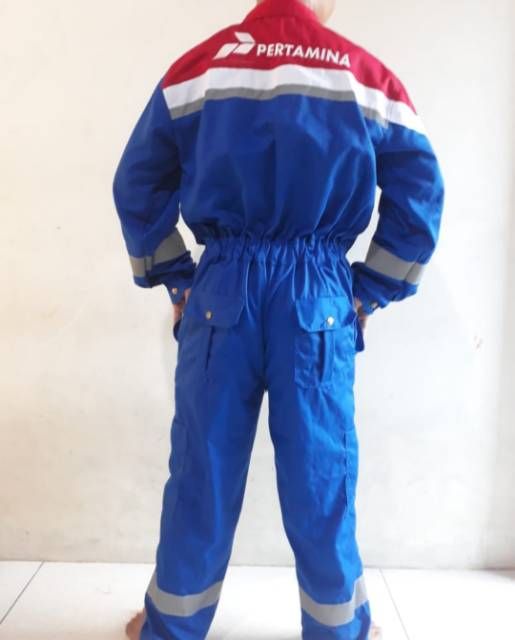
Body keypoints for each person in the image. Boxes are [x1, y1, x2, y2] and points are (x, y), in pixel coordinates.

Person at [112, 0, 445, 638]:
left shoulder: (198, 69)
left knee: (202, 472)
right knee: (321, 478)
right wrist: (369, 292)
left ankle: (171, 627)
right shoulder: (363, 76)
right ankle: (339, 631)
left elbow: (136, 183)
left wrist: (178, 277)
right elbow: (422, 191)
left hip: (222, 291)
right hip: (318, 299)